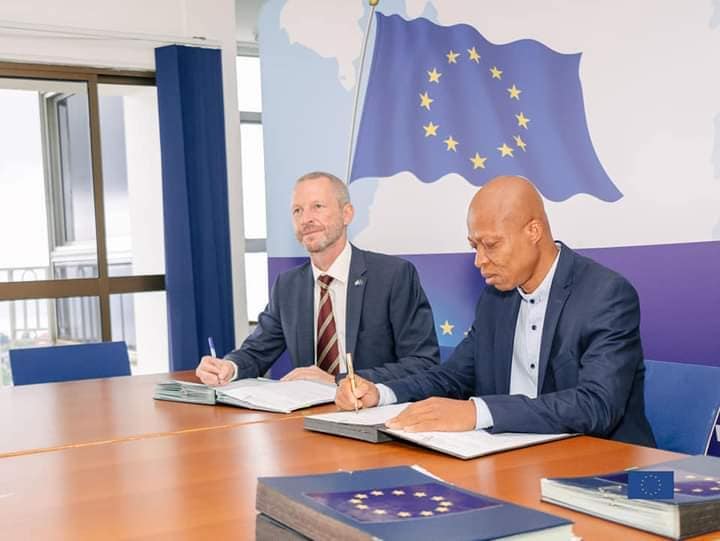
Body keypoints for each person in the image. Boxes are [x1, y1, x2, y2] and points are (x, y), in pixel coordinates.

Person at [336, 175, 656, 447]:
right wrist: (381, 393)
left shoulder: (606, 294)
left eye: (490, 245)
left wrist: (478, 412)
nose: (479, 261)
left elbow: (597, 405)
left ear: (533, 231)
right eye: (474, 246)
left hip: (617, 474)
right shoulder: (495, 298)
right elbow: (454, 375)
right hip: (516, 458)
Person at [196, 171, 440, 386]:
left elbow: (423, 363)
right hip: (309, 420)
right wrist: (229, 367)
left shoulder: (393, 276)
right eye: (297, 210)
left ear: (347, 214)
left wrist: (339, 381)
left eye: (318, 207)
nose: (306, 219)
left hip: (376, 417)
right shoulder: (288, 286)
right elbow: (257, 352)